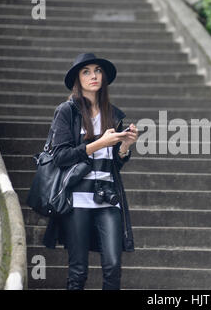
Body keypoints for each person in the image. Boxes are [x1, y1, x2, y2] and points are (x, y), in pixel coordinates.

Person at [41, 53, 138, 290]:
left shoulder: (113, 114)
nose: (93, 76)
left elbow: (113, 163)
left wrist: (124, 146)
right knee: (78, 270)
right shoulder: (67, 111)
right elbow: (61, 156)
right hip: (77, 200)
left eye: (97, 70)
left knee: (113, 266)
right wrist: (99, 143)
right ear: (77, 79)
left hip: (108, 198)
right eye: (86, 71)